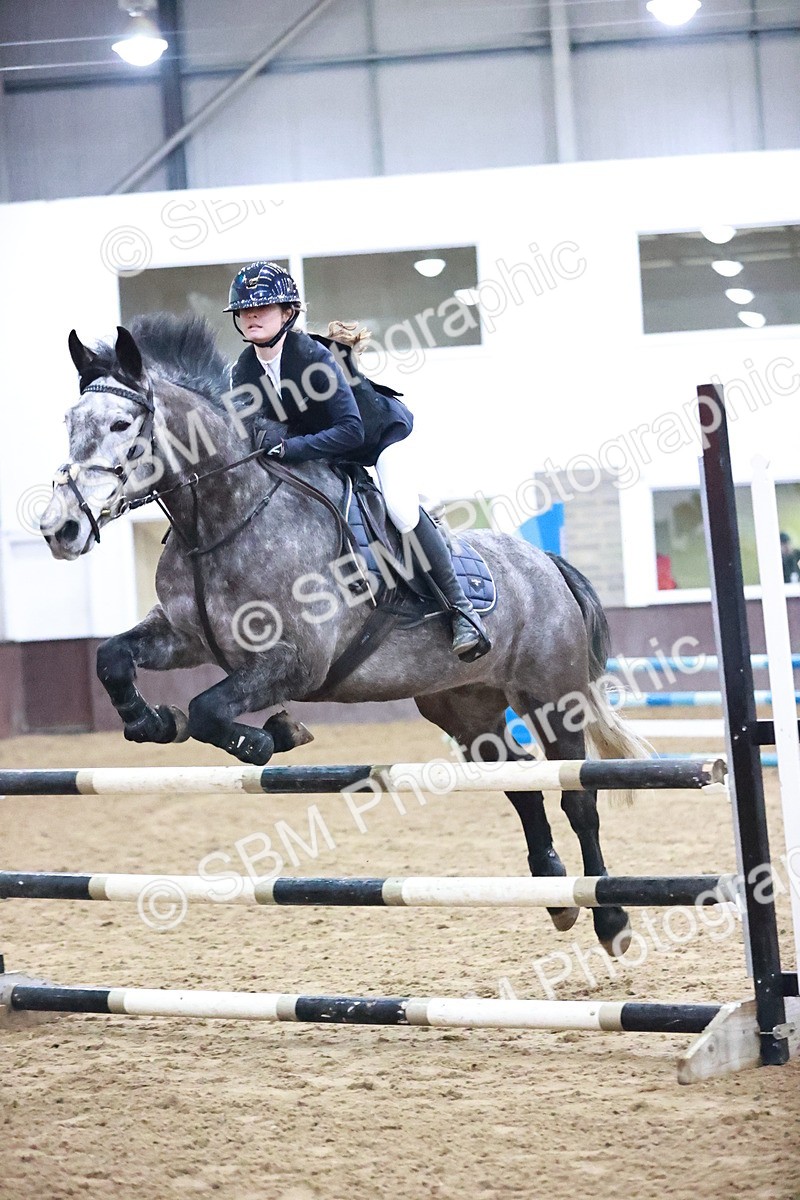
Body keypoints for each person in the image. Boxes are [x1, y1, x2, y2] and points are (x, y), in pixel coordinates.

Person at [225, 260, 491, 659]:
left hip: (376, 437)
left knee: (401, 511)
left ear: (287, 313)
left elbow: (351, 429)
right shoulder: (242, 370)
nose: (252, 316)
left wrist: (291, 448)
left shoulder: (313, 355)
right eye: (245, 310)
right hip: (327, 453)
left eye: (262, 308)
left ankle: (463, 612)